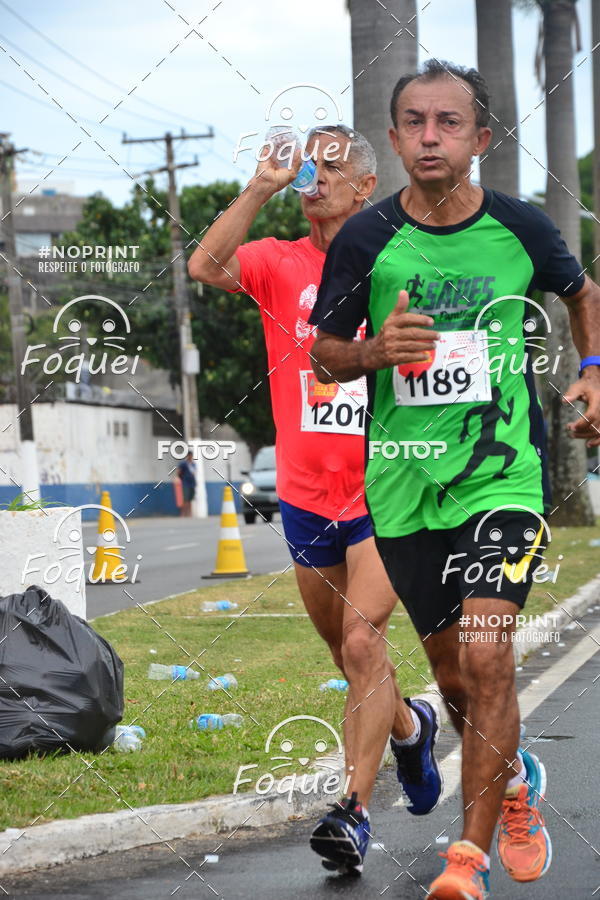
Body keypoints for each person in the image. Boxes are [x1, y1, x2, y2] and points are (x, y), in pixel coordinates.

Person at [309, 59, 600, 899]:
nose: (430, 136)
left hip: (501, 476)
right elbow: (325, 354)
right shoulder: (366, 239)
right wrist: (373, 352)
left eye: (448, 122)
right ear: (395, 136)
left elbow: (584, 292)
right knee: (451, 677)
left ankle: (464, 863)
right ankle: (511, 783)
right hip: (403, 484)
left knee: (489, 655)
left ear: (481, 137)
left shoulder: (520, 229)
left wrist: (592, 369)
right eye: (413, 122)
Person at [188, 124, 442, 875]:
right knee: (348, 655)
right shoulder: (276, 264)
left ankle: (354, 812)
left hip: (383, 489)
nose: (316, 178)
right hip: (303, 497)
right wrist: (261, 185)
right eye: (310, 167)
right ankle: (409, 727)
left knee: (366, 645)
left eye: (333, 168)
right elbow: (206, 263)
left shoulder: (397, 264)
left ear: (366, 187)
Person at [177, 451, 196, 517]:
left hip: (192, 483)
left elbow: (194, 473)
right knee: (185, 499)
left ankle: (189, 514)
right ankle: (183, 514)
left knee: (190, 499)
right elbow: (179, 472)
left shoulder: (193, 464)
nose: (190, 457)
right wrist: (181, 478)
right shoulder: (184, 464)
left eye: (191, 456)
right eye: (189, 456)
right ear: (187, 456)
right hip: (185, 483)